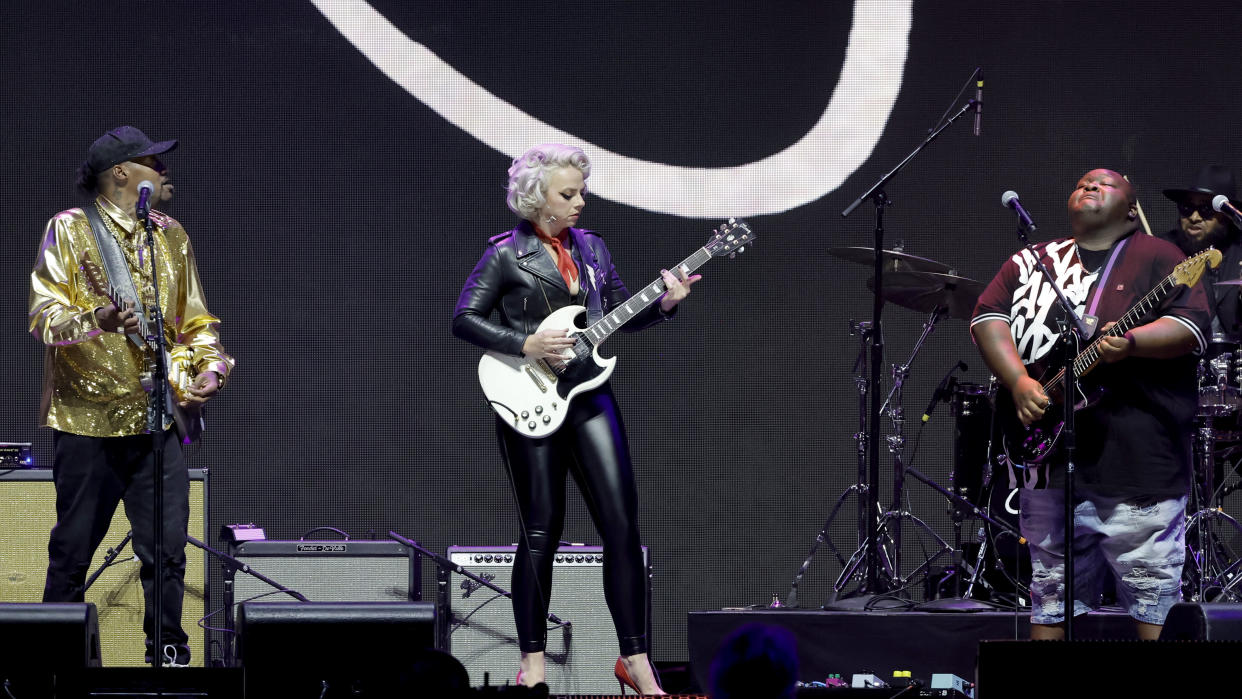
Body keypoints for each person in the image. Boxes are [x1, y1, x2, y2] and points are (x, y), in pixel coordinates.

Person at [453, 144, 698, 693]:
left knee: (622, 528)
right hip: (527, 399)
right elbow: (464, 319)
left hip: (590, 399)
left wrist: (663, 304)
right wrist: (526, 341)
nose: (581, 201)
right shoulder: (504, 255)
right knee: (540, 532)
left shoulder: (593, 249)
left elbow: (614, 318)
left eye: (580, 191)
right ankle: (532, 663)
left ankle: (635, 660)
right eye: (570, 194)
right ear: (538, 201)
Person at [970, 168, 1210, 640]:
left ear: (1131, 208)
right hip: (1050, 465)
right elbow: (987, 316)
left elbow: (1189, 327)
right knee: (1050, 601)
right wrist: (1018, 381)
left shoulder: (1160, 255)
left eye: (1107, 183)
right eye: (1081, 182)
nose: (1090, 186)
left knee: (1153, 601)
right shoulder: (1033, 259)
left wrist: (1133, 342)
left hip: (1137, 465)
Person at [29, 125, 234, 666]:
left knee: (167, 554)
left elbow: (195, 323)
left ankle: (168, 654)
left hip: (157, 420)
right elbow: (44, 318)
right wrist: (97, 316)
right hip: (87, 422)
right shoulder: (69, 231)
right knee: (71, 553)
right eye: (154, 164)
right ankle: (50, 668)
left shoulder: (169, 235)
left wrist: (210, 368)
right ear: (122, 173)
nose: (165, 173)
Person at [1158, 165, 1242, 342]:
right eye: (1187, 208)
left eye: (1206, 209)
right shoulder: (1162, 250)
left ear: (1226, 214)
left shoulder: (1239, 251)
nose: (1194, 217)